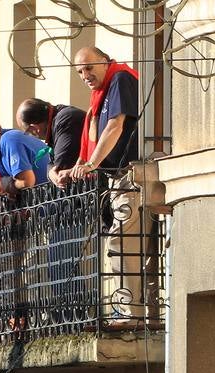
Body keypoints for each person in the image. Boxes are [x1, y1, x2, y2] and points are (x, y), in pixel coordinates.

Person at [69, 47, 142, 328]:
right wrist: (81, 163)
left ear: (104, 61)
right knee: (133, 246)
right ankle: (137, 310)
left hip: (130, 175)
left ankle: (129, 312)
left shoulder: (120, 79)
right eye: (79, 71)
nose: (84, 75)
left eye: (89, 67)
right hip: (119, 178)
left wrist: (91, 164)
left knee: (119, 242)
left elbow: (115, 126)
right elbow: (99, 132)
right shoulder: (104, 90)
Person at [16, 98, 86, 188]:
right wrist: (50, 173)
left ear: (34, 128)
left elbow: (61, 166)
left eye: (27, 132)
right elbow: (52, 163)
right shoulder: (58, 119)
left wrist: (53, 172)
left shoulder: (65, 119)